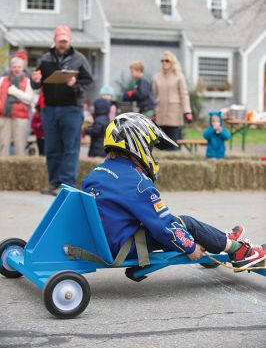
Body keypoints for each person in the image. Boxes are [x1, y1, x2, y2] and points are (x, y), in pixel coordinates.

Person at [82, 113, 266, 270]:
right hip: (124, 246)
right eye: (151, 148)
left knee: (177, 225)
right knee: (185, 223)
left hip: (107, 240)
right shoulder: (138, 183)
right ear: (138, 145)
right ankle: (239, 250)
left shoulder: (97, 173)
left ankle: (218, 238)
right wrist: (190, 247)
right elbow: (164, 227)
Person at [31, 25, 93, 195]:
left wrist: (75, 85)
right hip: (49, 109)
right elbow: (36, 84)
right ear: (55, 40)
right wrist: (35, 80)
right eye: (60, 41)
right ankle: (54, 183)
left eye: (65, 41)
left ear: (70, 40)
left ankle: (67, 185)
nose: (63, 44)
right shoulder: (44, 59)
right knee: (51, 147)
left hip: (72, 109)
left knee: (71, 147)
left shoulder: (79, 59)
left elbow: (88, 82)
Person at [153, 51, 192, 148]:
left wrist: (187, 111)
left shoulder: (179, 76)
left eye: (167, 61)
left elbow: (184, 94)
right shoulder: (157, 76)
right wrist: (152, 112)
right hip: (160, 113)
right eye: (162, 61)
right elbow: (153, 95)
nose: (164, 63)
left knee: (173, 144)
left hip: (174, 114)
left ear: (172, 62)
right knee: (161, 144)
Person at [0, 57, 34, 156]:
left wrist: (15, 92)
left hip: (20, 117)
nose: (17, 69)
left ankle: (21, 168)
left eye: (19, 67)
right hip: (4, 116)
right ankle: (3, 168)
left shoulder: (27, 81)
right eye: (14, 67)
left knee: (20, 144)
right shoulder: (2, 80)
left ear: (23, 68)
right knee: (3, 144)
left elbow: (29, 99)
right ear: (11, 68)